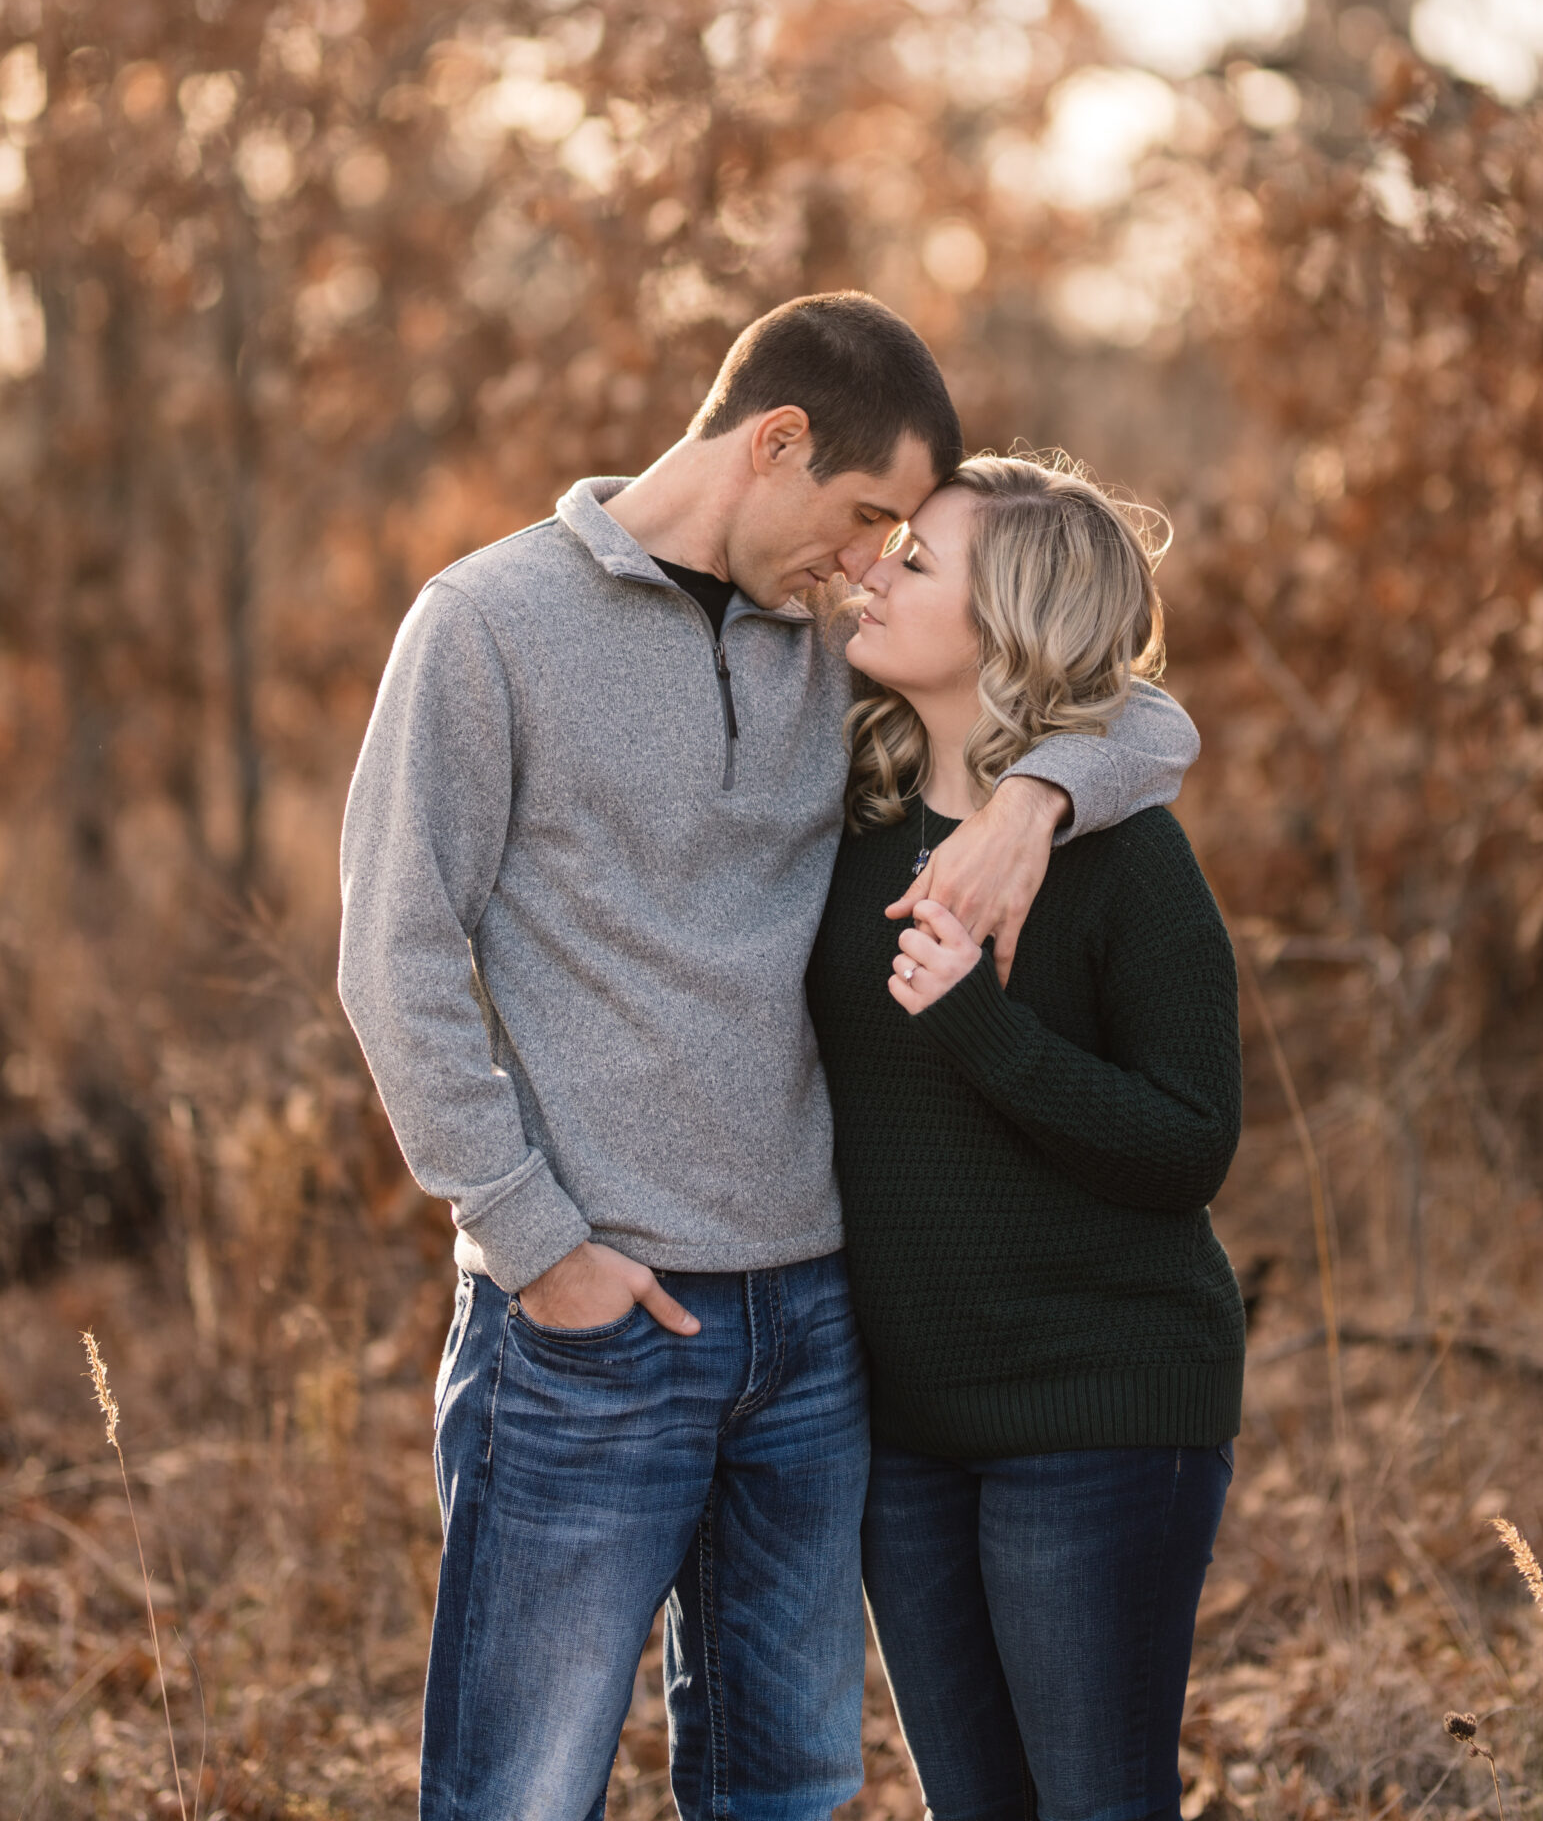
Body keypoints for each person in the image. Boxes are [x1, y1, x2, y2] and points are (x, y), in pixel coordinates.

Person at [337, 294, 1201, 1821]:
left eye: (899, 543)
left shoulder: (825, 638)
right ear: (776, 441)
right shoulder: (483, 626)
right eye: (869, 516)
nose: (873, 563)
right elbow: (394, 955)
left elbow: (1138, 717)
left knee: (788, 1789)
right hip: (596, 1329)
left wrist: (1035, 802)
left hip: (813, 1331)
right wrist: (540, 1248)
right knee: (520, 1794)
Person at [806, 452, 1244, 1821]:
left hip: (1099, 1409)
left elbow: (1189, 1144)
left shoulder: (1128, 860)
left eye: (917, 563)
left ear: (1009, 630)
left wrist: (984, 1032)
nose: (874, 570)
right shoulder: (849, 816)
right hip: (906, 1430)